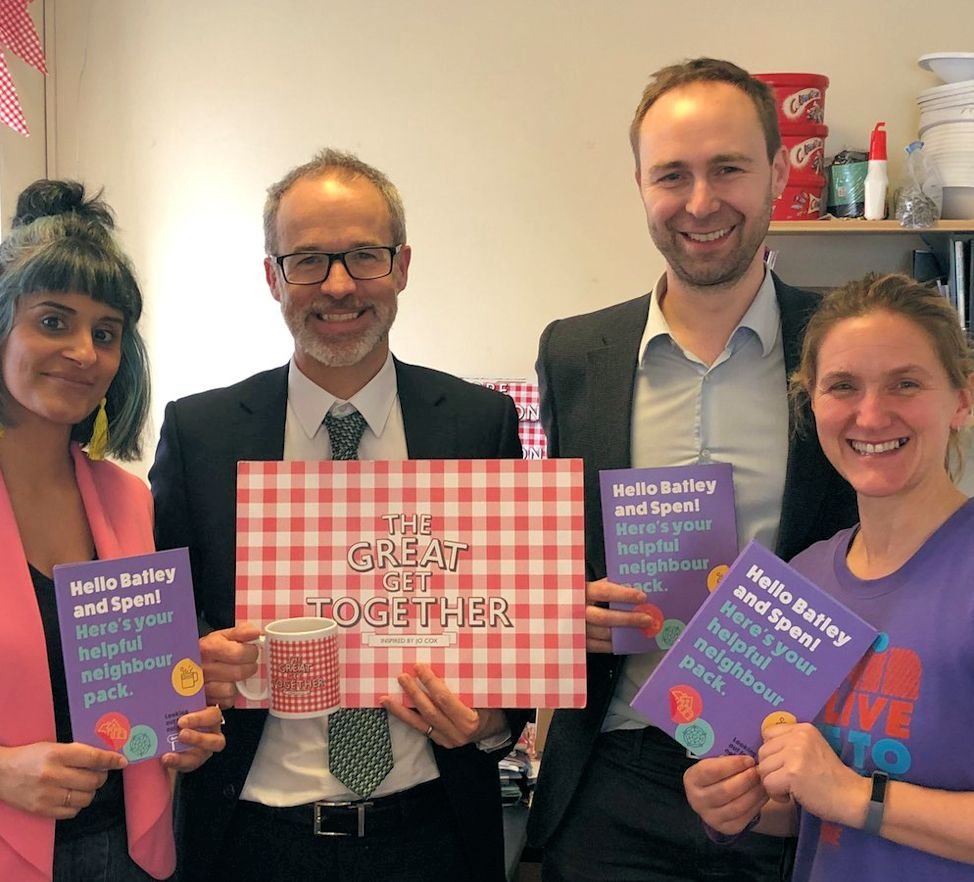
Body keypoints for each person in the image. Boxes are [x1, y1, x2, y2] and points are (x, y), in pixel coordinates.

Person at [149, 148, 528, 882]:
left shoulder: (480, 423)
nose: (340, 285)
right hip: (253, 839)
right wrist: (193, 665)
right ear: (272, 277)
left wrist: (492, 721)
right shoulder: (201, 433)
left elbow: (510, 619)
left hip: (434, 834)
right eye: (309, 261)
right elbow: (162, 639)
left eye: (364, 256)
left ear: (403, 266)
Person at [527, 58, 859, 881]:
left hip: (793, 778)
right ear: (640, 184)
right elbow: (551, 554)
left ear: (779, 174)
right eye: (672, 174)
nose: (702, 202)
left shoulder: (847, 339)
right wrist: (562, 608)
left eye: (729, 169)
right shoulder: (574, 352)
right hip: (618, 772)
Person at [684, 272, 974, 879]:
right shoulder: (800, 579)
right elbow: (806, 805)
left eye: (905, 383)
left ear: (962, 399)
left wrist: (855, 796)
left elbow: (841, 795)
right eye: (843, 385)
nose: (871, 414)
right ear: (811, 401)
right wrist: (740, 802)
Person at [0, 180, 225, 882]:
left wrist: (183, 724)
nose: (84, 352)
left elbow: (139, 694)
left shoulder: (127, 499)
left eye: (106, 333)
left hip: (129, 854)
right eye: (54, 320)